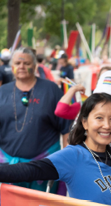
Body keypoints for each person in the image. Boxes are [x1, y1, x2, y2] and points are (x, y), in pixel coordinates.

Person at [0, 47, 71, 192]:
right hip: (7, 169)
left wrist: (67, 162)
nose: (21, 67)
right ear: (11, 66)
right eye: (17, 63)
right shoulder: (2, 92)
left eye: (26, 63)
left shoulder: (51, 90)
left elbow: (66, 129)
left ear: (35, 65)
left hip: (43, 169)